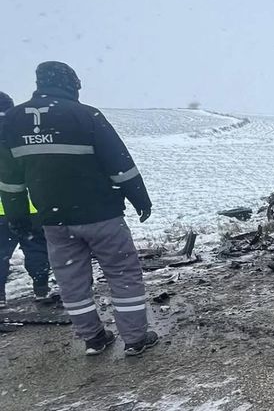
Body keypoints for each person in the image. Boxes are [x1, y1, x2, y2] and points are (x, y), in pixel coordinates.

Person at [0, 62, 158, 357]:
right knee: (123, 274)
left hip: (55, 221)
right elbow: (120, 164)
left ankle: (94, 339)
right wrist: (141, 200)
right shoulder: (85, 115)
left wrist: (17, 215)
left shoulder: (13, 121)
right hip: (102, 216)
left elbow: (10, 180)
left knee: (71, 281)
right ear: (70, 83)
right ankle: (136, 339)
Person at [0, 92, 51, 308]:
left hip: (2, 210)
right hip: (29, 205)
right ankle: (41, 290)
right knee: (36, 248)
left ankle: (0, 299)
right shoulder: (22, 133)